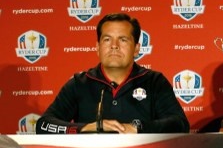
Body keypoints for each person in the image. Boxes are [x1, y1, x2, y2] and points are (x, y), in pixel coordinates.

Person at [36, 13, 189, 134]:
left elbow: (180, 124)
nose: (114, 46)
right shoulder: (79, 83)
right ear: (97, 47)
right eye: (107, 39)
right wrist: (87, 127)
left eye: (122, 40)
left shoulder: (154, 81)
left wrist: (138, 127)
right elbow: (43, 125)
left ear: (136, 48)